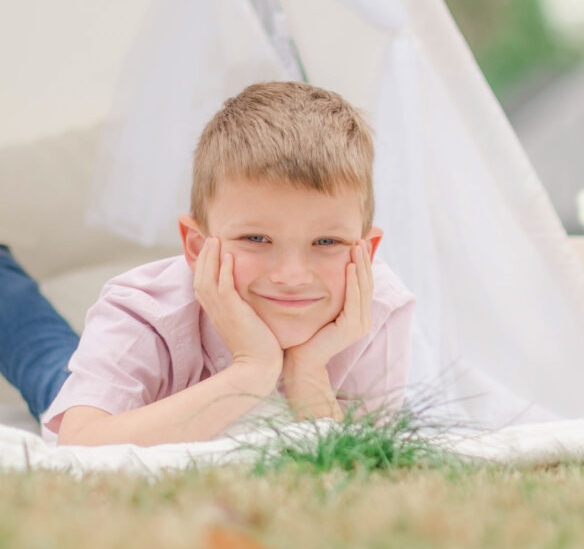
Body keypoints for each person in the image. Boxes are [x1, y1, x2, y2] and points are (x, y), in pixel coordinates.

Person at [0, 81, 414, 446]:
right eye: (256, 238)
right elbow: (82, 442)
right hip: (118, 403)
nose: (291, 276)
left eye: (327, 241)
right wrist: (253, 372)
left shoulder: (378, 310)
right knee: (43, 354)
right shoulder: (145, 309)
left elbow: (367, 463)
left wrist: (307, 372)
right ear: (197, 247)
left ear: (367, 251)